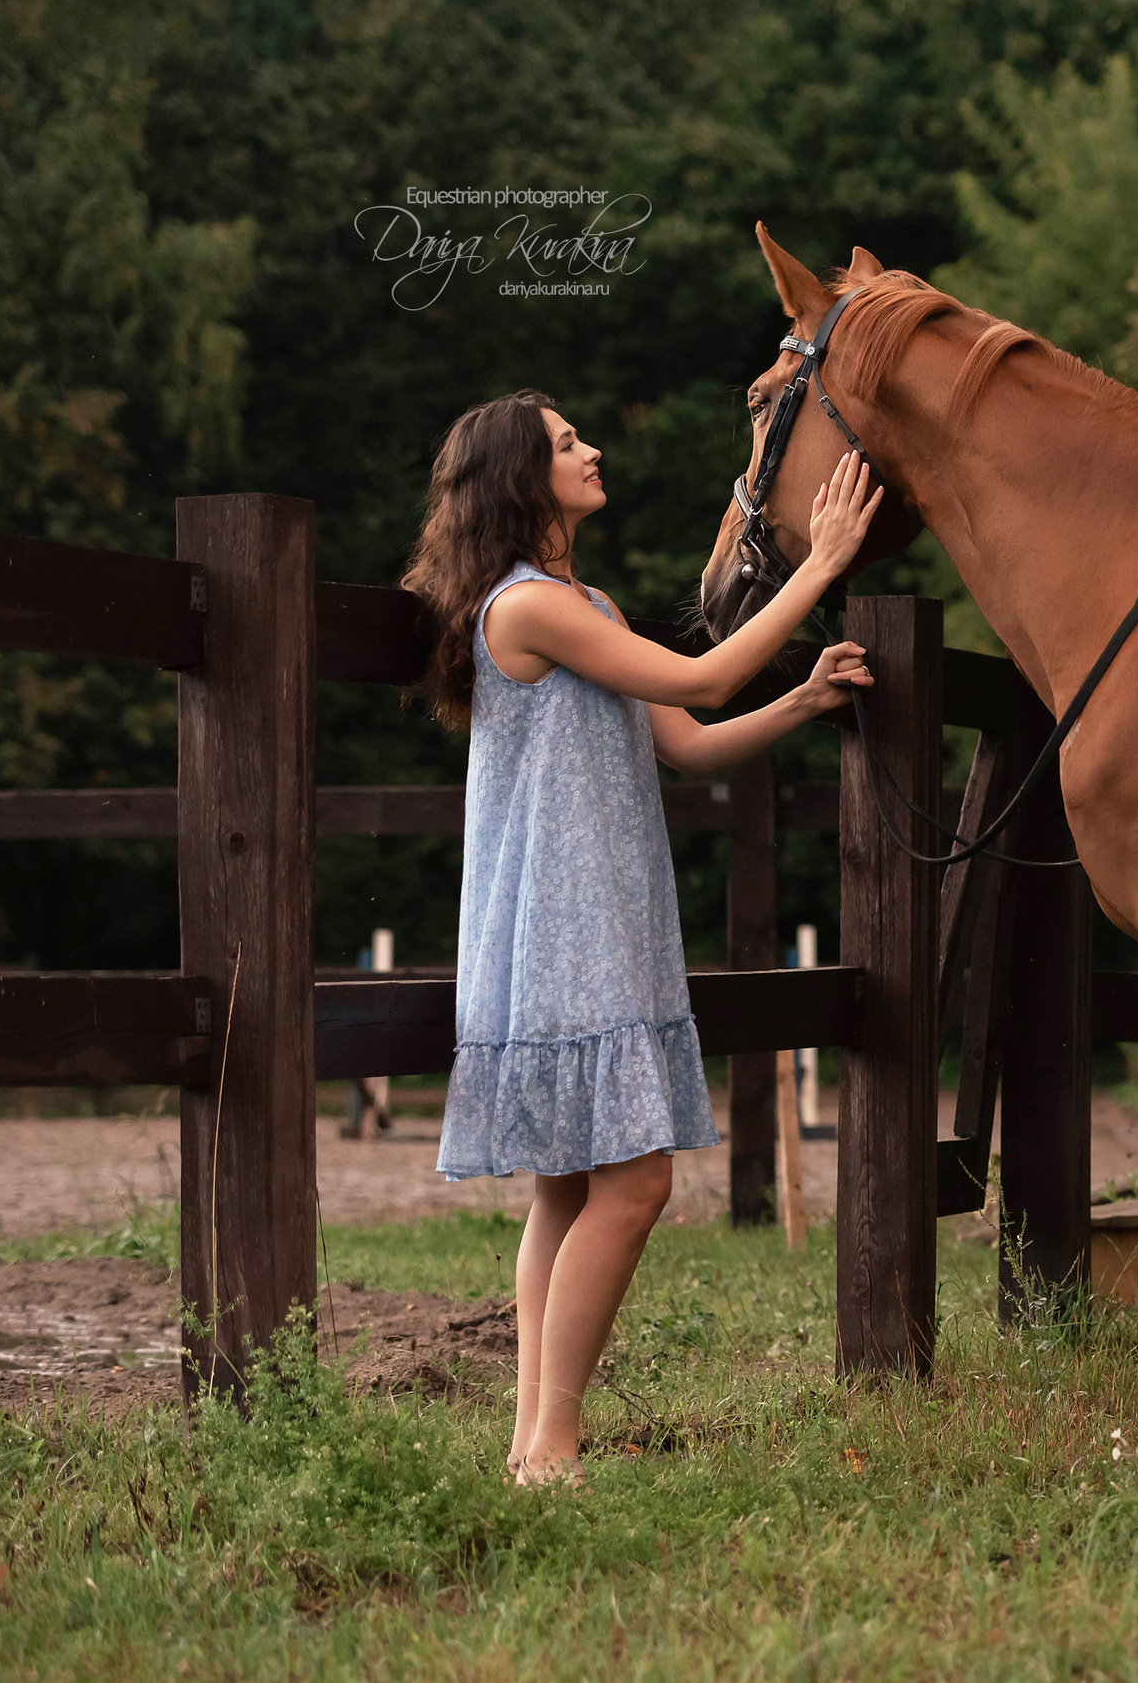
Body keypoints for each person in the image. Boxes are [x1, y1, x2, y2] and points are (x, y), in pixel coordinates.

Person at [401, 390, 877, 1485]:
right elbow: (702, 672)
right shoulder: (525, 607)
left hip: (598, 918)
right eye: (568, 443)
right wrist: (820, 563)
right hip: (563, 932)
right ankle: (553, 1443)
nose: (593, 449)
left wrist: (801, 702)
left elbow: (692, 739)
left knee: (569, 1187)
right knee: (633, 1183)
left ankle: (533, 1443)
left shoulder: (586, 602)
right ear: (522, 476)